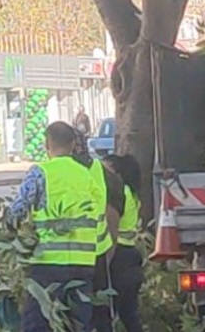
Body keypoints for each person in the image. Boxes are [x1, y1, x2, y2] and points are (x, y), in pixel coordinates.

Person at [5, 122, 102, 332]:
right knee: (77, 325)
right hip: (83, 264)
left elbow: (16, 212)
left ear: (47, 144)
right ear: (73, 144)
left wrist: (14, 235)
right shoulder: (86, 176)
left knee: (37, 325)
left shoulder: (41, 173)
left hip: (47, 263)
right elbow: (99, 216)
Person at [74, 130, 125, 332]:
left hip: (65, 258)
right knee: (99, 311)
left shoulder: (51, 173)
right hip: (97, 254)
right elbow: (113, 220)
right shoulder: (104, 174)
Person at [103, 154, 145, 332]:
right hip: (129, 255)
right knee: (128, 314)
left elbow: (110, 222)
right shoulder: (131, 192)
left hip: (117, 256)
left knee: (108, 312)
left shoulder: (119, 193)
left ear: (115, 172)